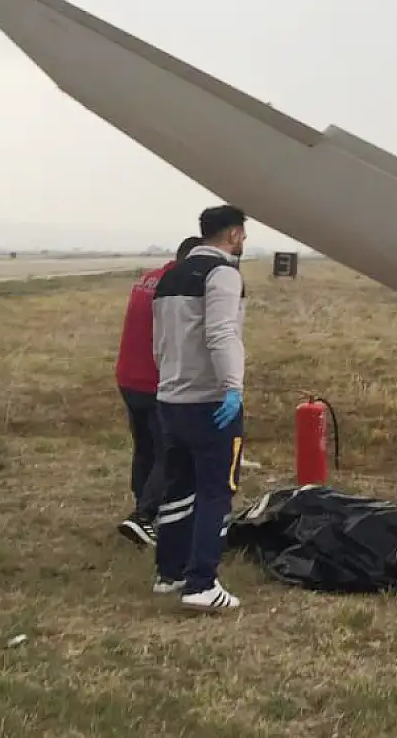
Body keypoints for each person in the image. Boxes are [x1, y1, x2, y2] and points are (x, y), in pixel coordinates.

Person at [150, 204, 250, 612]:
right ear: (233, 235)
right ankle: (202, 583)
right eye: (243, 233)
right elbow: (223, 332)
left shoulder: (170, 276)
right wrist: (233, 388)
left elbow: (160, 340)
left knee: (178, 487)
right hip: (210, 401)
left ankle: (169, 573)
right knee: (215, 492)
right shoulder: (223, 273)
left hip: (170, 397)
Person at [115, 235, 203, 547]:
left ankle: (143, 509)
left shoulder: (148, 278)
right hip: (156, 381)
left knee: (145, 448)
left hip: (128, 376)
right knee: (170, 451)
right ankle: (143, 516)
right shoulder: (178, 286)